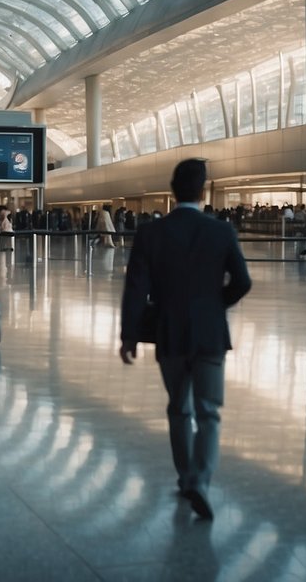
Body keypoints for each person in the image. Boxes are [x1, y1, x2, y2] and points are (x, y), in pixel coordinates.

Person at [119, 158, 252, 521]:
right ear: (203, 190)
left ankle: (184, 476)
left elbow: (135, 289)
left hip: (169, 332)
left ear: (171, 189)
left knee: (179, 408)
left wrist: (129, 335)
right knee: (209, 412)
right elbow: (242, 282)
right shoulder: (221, 231)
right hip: (210, 334)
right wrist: (214, 305)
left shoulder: (151, 233)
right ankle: (200, 480)